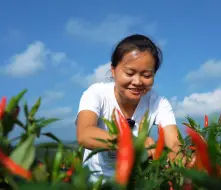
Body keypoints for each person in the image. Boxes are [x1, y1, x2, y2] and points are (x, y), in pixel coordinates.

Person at [75, 34, 194, 183]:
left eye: (146, 75)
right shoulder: (96, 94)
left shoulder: (159, 103)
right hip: (94, 184)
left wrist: (181, 159)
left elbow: (174, 143)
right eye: (129, 73)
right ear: (113, 70)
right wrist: (132, 142)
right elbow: (85, 134)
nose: (137, 81)